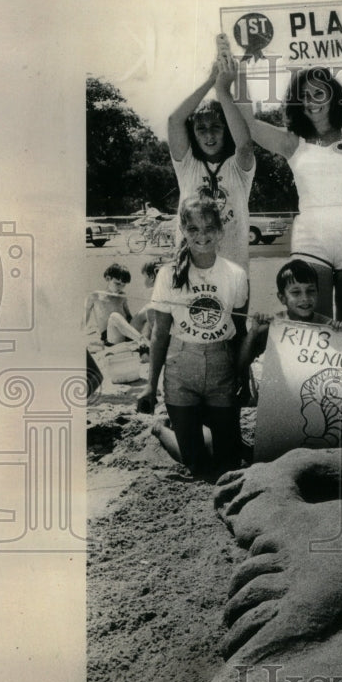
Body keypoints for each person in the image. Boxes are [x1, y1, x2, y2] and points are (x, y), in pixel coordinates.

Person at [233, 0, 342, 323]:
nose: (312, 102)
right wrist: (237, 65)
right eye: (304, 96)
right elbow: (250, 123)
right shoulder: (291, 141)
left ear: (332, 96)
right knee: (313, 323)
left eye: (319, 93)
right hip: (311, 235)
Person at [136, 193, 248, 480]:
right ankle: (162, 428)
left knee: (227, 463)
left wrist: (242, 378)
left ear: (221, 231)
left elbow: (239, 331)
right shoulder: (168, 275)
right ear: (183, 232)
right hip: (181, 371)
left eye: (209, 228)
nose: (202, 236)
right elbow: (160, 334)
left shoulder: (235, 275)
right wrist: (150, 386)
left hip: (221, 368)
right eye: (193, 229)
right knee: (197, 465)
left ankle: (213, 429)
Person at [168, 37, 255, 274]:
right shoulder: (187, 165)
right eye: (201, 128)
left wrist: (222, 91)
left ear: (226, 129)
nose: (209, 135)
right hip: (189, 268)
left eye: (216, 126)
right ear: (193, 133)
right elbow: (174, 120)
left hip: (233, 266)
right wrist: (210, 80)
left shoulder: (237, 166)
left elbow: (245, 143)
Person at [82, 263, 149, 352]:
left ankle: (150, 339)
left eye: (123, 285)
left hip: (127, 333)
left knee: (147, 309)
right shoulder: (95, 295)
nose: (120, 287)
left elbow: (128, 316)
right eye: (117, 284)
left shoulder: (122, 296)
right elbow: (84, 319)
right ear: (108, 278)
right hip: (111, 337)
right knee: (114, 316)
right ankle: (143, 341)